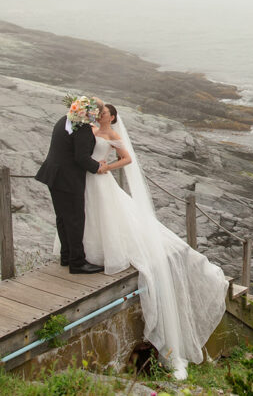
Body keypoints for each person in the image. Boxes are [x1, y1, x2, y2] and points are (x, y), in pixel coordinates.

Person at [78, 101, 228, 379]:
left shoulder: (112, 136)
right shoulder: (87, 128)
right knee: (91, 217)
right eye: (100, 112)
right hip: (87, 180)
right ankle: (91, 252)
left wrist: (106, 167)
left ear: (113, 117)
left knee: (111, 218)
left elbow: (127, 160)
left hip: (101, 178)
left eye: (106, 112)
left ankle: (107, 253)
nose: (102, 115)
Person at [35, 95, 108, 274]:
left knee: (63, 217)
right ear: (92, 112)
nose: (98, 117)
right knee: (75, 219)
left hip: (54, 175)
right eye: (97, 113)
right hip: (67, 178)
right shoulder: (81, 128)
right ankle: (77, 263)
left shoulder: (65, 120)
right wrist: (98, 167)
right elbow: (81, 157)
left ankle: (66, 255)